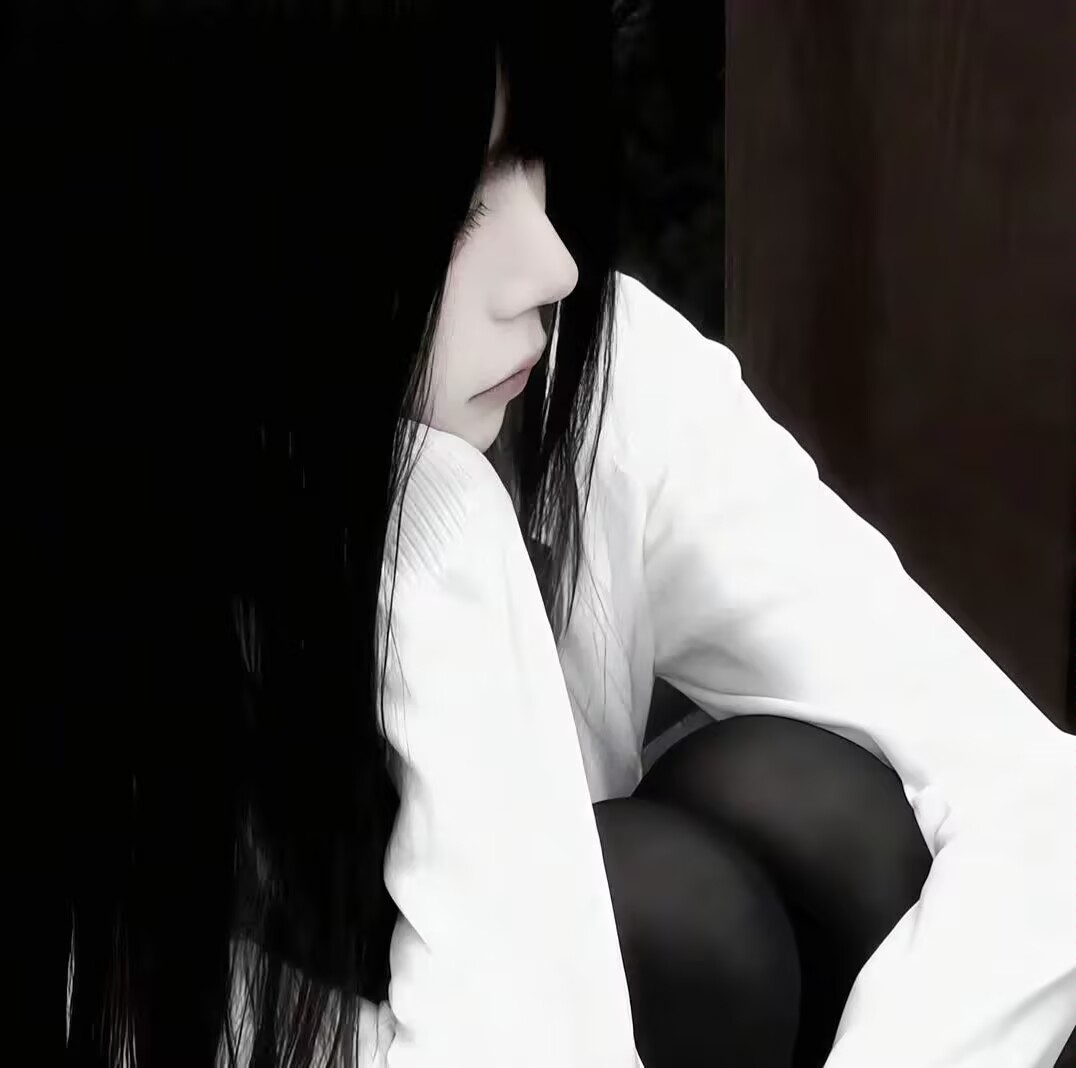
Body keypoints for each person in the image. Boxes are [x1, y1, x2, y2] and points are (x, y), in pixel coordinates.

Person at [7, 1, 1075, 1066]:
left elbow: (1039, 805)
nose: (553, 265)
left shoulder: (596, 379)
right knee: (666, 915)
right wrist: (435, 527)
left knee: (816, 813)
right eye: (455, 199)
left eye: (531, 157)